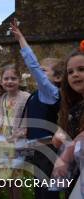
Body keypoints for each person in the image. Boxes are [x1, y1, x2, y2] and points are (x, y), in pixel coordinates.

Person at [10, 19, 64, 199]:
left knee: (48, 193)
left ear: (57, 78)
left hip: (49, 151)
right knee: (39, 192)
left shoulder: (52, 93)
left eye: (44, 71)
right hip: (37, 151)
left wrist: (21, 39)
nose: (39, 74)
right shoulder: (36, 95)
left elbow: (32, 66)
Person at [0, 64, 30, 199]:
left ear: (19, 80)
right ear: (1, 82)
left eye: (13, 78)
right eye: (6, 79)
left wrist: (22, 132)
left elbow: (28, 118)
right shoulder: (3, 98)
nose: (9, 81)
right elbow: (1, 116)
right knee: (0, 171)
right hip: (3, 139)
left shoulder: (25, 97)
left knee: (15, 174)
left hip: (18, 138)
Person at [52, 44, 84, 198]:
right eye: (70, 72)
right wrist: (60, 135)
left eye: (81, 70)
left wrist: (68, 151)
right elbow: (59, 140)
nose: (75, 75)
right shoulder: (72, 108)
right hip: (76, 173)